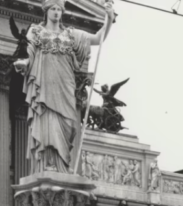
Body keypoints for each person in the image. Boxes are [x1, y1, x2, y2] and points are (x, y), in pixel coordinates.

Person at [15, 0, 114, 172]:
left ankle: (62, 168)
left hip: (65, 86)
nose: (56, 12)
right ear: (46, 11)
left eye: (59, 9)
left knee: (68, 126)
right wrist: (24, 62)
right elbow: (29, 52)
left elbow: (98, 38)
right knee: (47, 122)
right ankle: (47, 166)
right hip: (45, 87)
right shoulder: (36, 31)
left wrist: (109, 17)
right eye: (53, 9)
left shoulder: (72, 35)